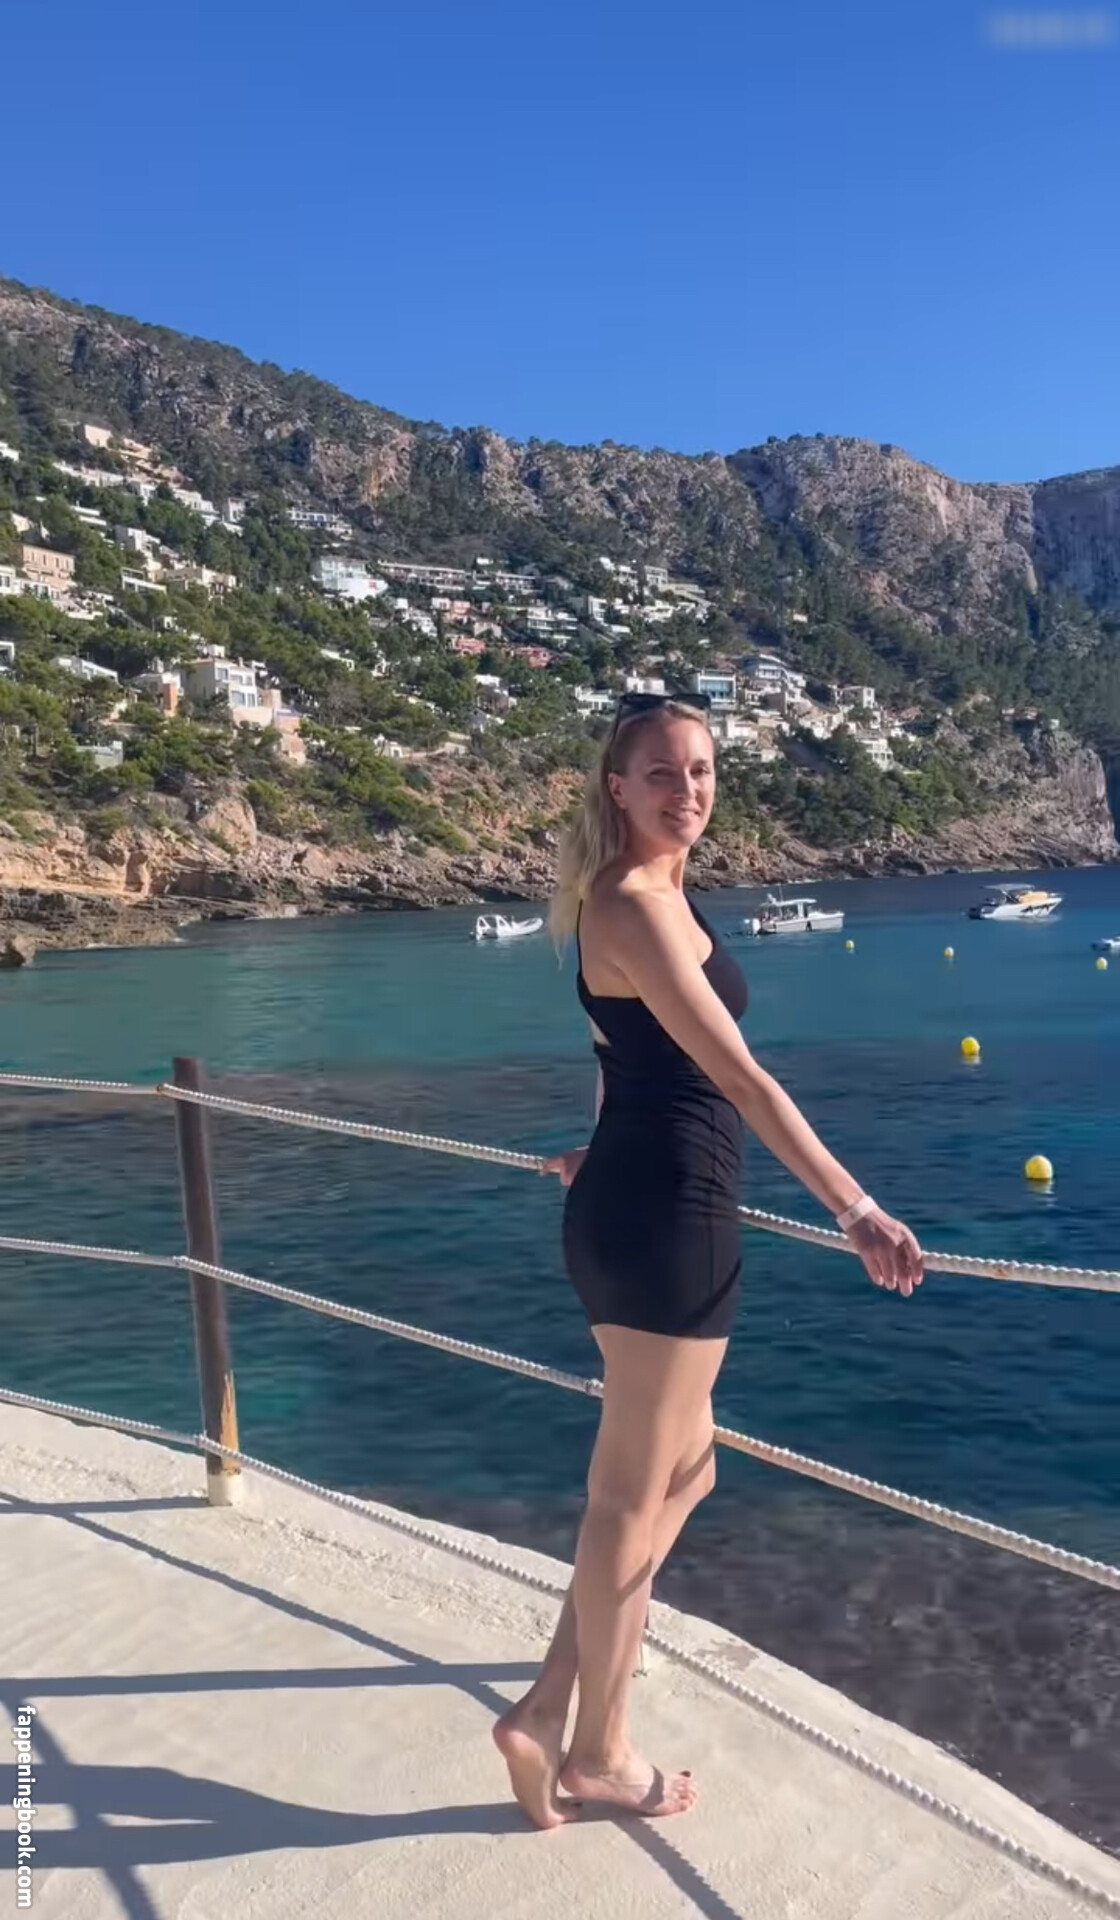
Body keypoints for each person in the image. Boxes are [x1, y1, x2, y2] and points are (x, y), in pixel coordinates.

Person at [493, 691, 923, 1830]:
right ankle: (598, 1748)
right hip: (666, 1220)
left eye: (701, 771)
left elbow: (618, 1050)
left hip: (639, 1198)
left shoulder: (651, 893)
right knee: (630, 1495)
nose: (687, 791)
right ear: (616, 787)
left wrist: (597, 1143)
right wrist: (854, 1208)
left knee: (684, 1478)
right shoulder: (632, 903)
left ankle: (546, 1707)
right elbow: (741, 1079)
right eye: (661, 773)